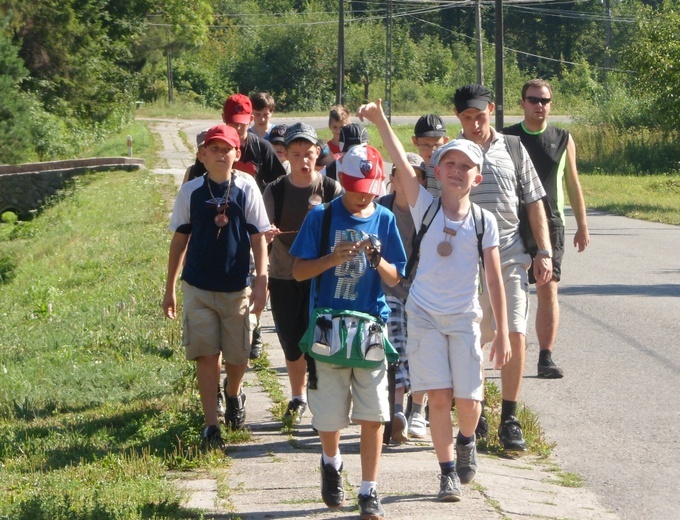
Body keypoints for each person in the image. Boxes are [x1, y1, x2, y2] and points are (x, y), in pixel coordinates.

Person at [359, 99, 511, 502]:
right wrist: (379, 120)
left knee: (470, 400)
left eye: (466, 167)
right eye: (450, 165)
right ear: (437, 172)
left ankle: (466, 442)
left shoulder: (484, 222)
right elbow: (398, 159)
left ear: (477, 178)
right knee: (439, 398)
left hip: (464, 318)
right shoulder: (425, 207)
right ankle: (445, 472)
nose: (457, 172)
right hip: (423, 314)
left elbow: (493, 277)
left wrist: (500, 330)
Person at [290, 143, 407, 519]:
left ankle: (369, 490)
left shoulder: (385, 219)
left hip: (370, 327)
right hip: (328, 327)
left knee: (374, 414)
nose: (361, 196)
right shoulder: (321, 217)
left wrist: (377, 259)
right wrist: (331, 259)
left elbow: (395, 277)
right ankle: (331, 461)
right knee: (329, 415)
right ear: (342, 180)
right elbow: (297, 271)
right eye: (355, 187)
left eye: (369, 188)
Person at [452, 84, 553, 451]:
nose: (475, 124)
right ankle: (475, 415)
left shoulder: (513, 148)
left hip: (510, 256)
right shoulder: (452, 154)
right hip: (466, 261)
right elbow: (432, 207)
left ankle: (509, 417)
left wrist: (544, 251)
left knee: (515, 331)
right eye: (467, 118)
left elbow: (534, 201)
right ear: (458, 117)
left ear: (491, 110)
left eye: (480, 116)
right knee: (474, 339)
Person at [162, 124, 270, 449]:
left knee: (238, 356)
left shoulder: (246, 188)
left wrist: (261, 280)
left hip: (236, 287)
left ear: (237, 155)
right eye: (215, 149)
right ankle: (212, 425)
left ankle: (234, 394)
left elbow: (258, 236)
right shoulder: (191, 192)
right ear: (202, 155)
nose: (221, 155)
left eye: (228, 149)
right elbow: (179, 239)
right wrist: (169, 288)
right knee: (206, 355)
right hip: (197, 286)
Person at [503, 79, 590, 379]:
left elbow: (573, 183)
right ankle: (504, 350)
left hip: (550, 224)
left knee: (547, 289)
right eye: (533, 100)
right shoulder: (508, 138)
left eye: (545, 100)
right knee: (505, 289)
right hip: (511, 222)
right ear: (522, 103)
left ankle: (545, 357)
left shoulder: (563, 139)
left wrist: (582, 225)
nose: (539, 106)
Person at [263, 122, 343, 424]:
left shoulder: (331, 189)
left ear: (318, 153)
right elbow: (259, 230)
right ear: (288, 156)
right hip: (283, 275)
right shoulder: (275, 190)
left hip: (321, 278)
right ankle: (297, 397)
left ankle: (320, 401)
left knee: (319, 344)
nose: (303, 160)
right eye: (296, 154)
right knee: (292, 341)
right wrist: (266, 234)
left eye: (308, 153)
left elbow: (346, 224)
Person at [222, 93, 287, 360]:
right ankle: (231, 328)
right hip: (225, 225)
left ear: (250, 120)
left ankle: (254, 326)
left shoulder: (261, 149)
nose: (237, 129)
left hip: (256, 227)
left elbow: (281, 187)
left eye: (242, 124)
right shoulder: (217, 146)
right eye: (232, 123)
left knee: (259, 278)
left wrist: (273, 222)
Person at [376, 153, 430, 442]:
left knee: (420, 351)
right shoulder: (380, 210)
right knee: (395, 348)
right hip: (390, 292)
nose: (412, 182)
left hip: (422, 294)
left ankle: (417, 411)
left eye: (418, 177)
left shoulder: (428, 214)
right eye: (405, 175)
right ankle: (397, 411)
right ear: (392, 179)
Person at [411, 114, 449, 196]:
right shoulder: (410, 170)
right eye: (426, 145)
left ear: (445, 141)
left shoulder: (448, 172)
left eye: (437, 145)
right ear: (415, 141)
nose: (432, 151)